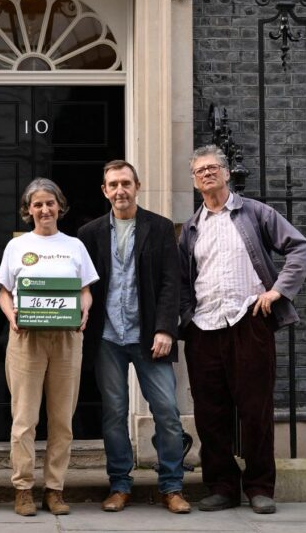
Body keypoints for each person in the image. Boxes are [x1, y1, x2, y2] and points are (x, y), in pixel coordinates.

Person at [178, 145, 306, 515]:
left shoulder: (254, 212)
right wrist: (187, 316)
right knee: (210, 413)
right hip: (204, 327)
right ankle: (222, 487)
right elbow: (182, 280)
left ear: (226, 173)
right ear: (194, 181)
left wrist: (277, 291)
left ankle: (259, 487)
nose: (207, 174)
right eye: (200, 170)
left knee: (256, 410)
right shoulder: (191, 228)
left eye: (213, 168)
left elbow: (300, 248)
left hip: (249, 321)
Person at [78, 160, 190, 514]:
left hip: (149, 336)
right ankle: (120, 485)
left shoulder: (159, 227)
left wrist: (166, 328)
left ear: (137, 186)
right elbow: (81, 283)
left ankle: (171, 486)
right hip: (107, 337)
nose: (120, 190)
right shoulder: (89, 233)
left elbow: (171, 282)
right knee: (114, 413)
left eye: (126, 183)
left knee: (167, 411)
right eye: (113, 185)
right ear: (104, 190)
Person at [0, 178, 99, 517]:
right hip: (26, 338)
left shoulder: (74, 245)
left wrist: (85, 309)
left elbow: (85, 290)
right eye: (37, 204)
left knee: (62, 419)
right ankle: (23, 489)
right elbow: (4, 291)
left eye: (50, 203)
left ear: (59, 206)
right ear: (28, 210)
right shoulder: (17, 246)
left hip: (67, 338)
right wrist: (11, 316)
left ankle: (54, 489)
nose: (44, 210)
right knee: (24, 418)